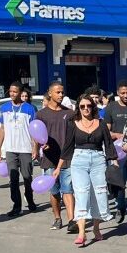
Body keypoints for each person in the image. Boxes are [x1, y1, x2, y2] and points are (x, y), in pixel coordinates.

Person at [55, 95, 117, 246]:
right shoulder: (73, 124)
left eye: (88, 106)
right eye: (82, 106)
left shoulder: (101, 124)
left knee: (99, 194)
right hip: (79, 160)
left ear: (93, 107)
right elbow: (67, 146)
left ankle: (96, 229)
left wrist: (114, 162)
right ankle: (82, 232)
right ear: (78, 109)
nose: (86, 109)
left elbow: (108, 144)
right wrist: (58, 167)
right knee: (81, 193)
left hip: (98, 160)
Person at [36, 81, 76, 232]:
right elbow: (36, 134)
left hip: (67, 159)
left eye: (62, 92)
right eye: (58, 92)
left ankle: (71, 220)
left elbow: (73, 136)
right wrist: (40, 145)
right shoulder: (41, 114)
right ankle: (57, 218)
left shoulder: (70, 113)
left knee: (68, 189)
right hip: (49, 159)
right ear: (50, 93)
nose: (61, 95)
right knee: (54, 191)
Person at [0, 81, 38, 217]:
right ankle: (17, 206)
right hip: (10, 149)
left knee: (27, 177)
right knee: (13, 179)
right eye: (10, 91)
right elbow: (2, 128)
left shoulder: (29, 109)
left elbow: (34, 130)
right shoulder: (4, 108)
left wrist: (35, 147)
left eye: (15, 91)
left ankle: (30, 199)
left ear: (20, 92)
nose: (12, 93)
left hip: (25, 148)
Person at [104, 80, 127, 222]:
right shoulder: (111, 107)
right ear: (118, 93)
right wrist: (118, 135)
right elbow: (106, 131)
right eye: (122, 93)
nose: (126, 95)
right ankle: (120, 207)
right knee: (120, 183)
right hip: (118, 153)